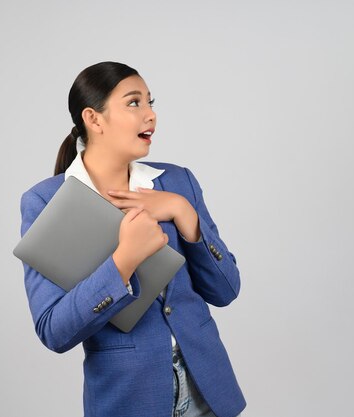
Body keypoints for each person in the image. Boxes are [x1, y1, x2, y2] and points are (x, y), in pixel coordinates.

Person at [18, 61, 245, 417]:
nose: (150, 115)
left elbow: (226, 290)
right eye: (134, 103)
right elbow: (54, 331)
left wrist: (184, 212)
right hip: (129, 399)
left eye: (151, 103)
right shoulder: (46, 202)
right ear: (94, 119)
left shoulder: (177, 182)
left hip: (208, 390)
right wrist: (124, 259)